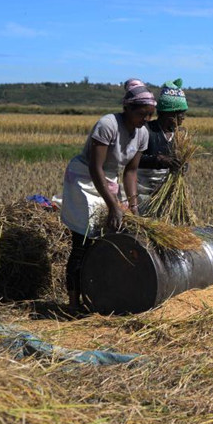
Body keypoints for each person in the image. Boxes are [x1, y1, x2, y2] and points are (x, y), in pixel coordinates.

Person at [60, 80, 155, 310]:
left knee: (110, 239)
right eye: (142, 114)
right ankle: (73, 305)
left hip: (108, 181)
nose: (146, 120)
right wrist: (113, 205)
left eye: (150, 115)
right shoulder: (108, 124)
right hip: (84, 180)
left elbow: (130, 172)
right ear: (128, 109)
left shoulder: (142, 134)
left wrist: (132, 207)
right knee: (83, 242)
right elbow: (95, 167)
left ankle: (99, 297)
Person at [136, 78, 189, 210]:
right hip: (143, 190)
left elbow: (181, 160)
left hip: (168, 191)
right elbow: (132, 160)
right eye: (181, 114)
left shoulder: (179, 135)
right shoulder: (146, 130)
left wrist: (183, 165)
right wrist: (159, 160)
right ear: (170, 114)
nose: (183, 118)